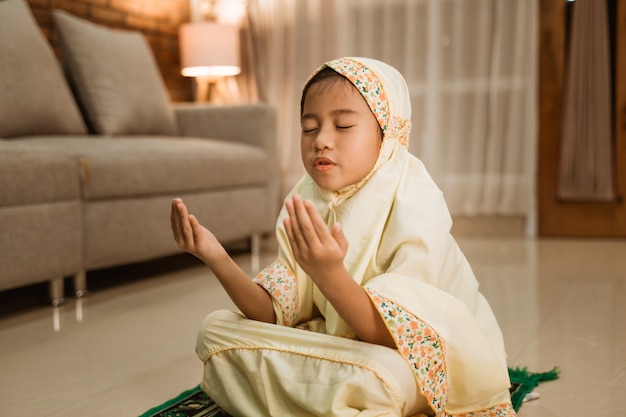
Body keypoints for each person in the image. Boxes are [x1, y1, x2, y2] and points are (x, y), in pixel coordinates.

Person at [171, 57, 517, 417]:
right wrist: (216, 256)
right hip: (346, 353)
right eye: (309, 128)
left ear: (387, 132)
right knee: (215, 331)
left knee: (383, 377)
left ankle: (315, 395)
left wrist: (328, 274)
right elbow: (273, 314)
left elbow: (393, 338)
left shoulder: (416, 198)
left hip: (407, 359)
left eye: (343, 125)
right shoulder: (303, 197)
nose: (321, 140)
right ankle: (334, 400)